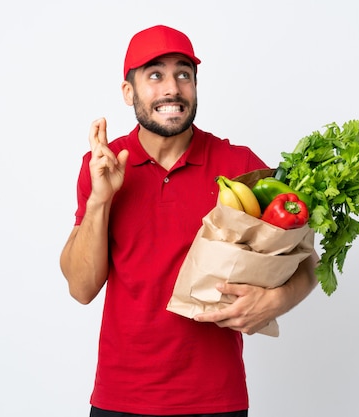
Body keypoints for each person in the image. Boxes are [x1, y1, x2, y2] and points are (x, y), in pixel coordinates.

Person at [60, 24, 319, 417]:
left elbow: (308, 262)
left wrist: (276, 300)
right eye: (155, 75)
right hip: (121, 398)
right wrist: (100, 199)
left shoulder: (240, 167)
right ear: (128, 91)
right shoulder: (102, 165)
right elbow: (81, 288)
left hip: (216, 400)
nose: (172, 88)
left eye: (184, 74)